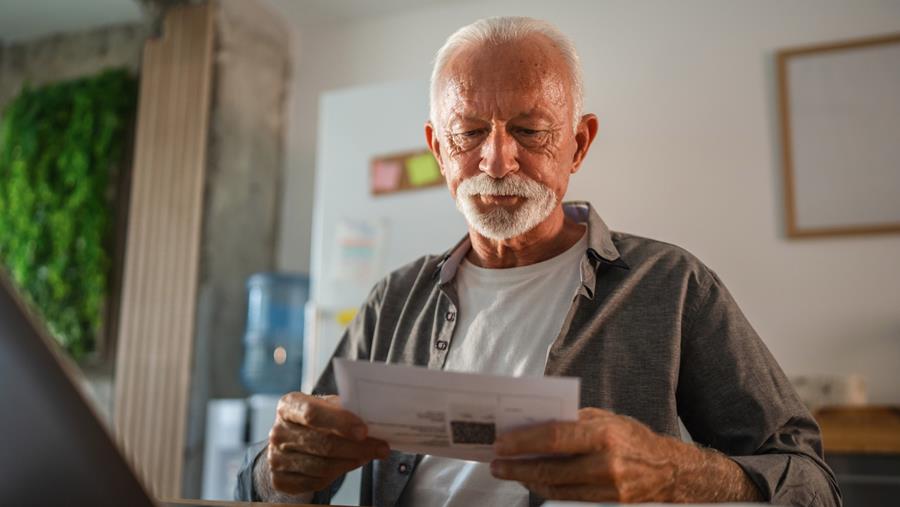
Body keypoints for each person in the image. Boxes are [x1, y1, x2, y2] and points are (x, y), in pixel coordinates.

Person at [236, 16, 840, 506]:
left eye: (528, 130)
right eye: (469, 133)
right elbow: (277, 479)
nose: (497, 161)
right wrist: (279, 471)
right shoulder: (393, 300)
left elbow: (811, 484)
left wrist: (674, 475)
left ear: (578, 144)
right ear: (438, 150)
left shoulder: (671, 286)